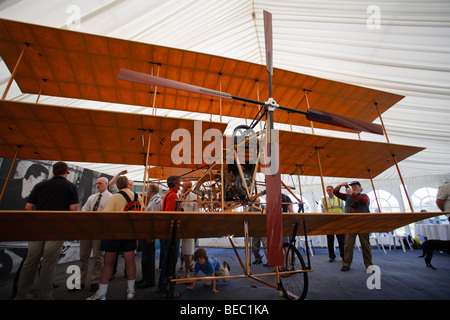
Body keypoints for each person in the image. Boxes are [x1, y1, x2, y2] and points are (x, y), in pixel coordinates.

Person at [15, 161, 79, 300]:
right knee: (48, 263)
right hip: (57, 227)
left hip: (38, 226)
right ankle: (44, 295)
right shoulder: (70, 187)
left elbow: (28, 207)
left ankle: (22, 294)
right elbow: (73, 209)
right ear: (66, 172)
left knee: (30, 261)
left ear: (53, 172)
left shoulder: (40, 185)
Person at [87, 175, 143, 300]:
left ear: (117, 185)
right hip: (130, 233)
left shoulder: (115, 197)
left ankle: (101, 293)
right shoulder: (137, 197)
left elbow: (106, 216)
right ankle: (130, 291)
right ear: (128, 185)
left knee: (108, 263)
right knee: (131, 262)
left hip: (114, 233)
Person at [72, 177, 112, 293]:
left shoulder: (110, 198)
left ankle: (95, 281)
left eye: (100, 183)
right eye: (97, 183)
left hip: (99, 231)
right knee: (83, 256)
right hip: (87, 230)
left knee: (97, 257)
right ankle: (79, 281)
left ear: (106, 184)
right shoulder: (92, 197)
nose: (97, 185)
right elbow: (84, 209)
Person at [334, 181, 373, 272]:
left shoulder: (365, 196)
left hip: (363, 224)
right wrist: (340, 185)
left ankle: (369, 265)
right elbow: (336, 193)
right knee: (348, 245)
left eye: (355, 186)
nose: (354, 188)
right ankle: (346, 263)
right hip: (350, 224)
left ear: (360, 188)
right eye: (352, 187)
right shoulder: (348, 196)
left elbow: (363, 201)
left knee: (365, 245)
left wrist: (352, 194)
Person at [158, 175, 182, 299]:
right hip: (172, 233)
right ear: (175, 183)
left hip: (170, 232)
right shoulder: (172, 195)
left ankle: (161, 286)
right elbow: (170, 215)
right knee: (171, 260)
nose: (180, 184)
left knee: (168, 259)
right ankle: (165, 289)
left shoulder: (169, 194)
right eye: (179, 182)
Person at [136, 183, 161, 289]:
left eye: (147, 189)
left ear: (150, 191)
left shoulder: (156, 201)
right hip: (147, 232)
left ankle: (149, 280)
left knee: (148, 258)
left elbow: (154, 219)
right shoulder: (155, 200)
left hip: (149, 233)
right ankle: (145, 277)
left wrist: (150, 235)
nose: (146, 191)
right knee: (145, 257)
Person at [178, 181, 198, 278]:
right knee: (176, 248)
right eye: (187, 187)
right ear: (182, 185)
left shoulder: (194, 196)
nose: (188, 189)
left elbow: (196, 212)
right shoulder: (177, 194)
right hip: (177, 225)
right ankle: (177, 269)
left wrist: (193, 226)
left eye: (190, 187)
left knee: (188, 251)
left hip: (189, 226)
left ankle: (187, 273)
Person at [321, 185, 345, 262]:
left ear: (333, 190)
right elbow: (323, 210)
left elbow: (343, 209)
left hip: (339, 222)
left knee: (341, 240)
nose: (329, 192)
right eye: (327, 190)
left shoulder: (339, 199)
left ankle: (343, 255)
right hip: (329, 222)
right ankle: (332, 256)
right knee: (330, 240)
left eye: (330, 190)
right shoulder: (324, 200)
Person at [251, 198, 267, 265]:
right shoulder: (250, 208)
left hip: (263, 228)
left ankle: (270, 260)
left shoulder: (264, 207)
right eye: (256, 202)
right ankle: (258, 259)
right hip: (255, 229)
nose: (257, 204)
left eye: (258, 202)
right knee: (254, 246)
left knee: (266, 245)